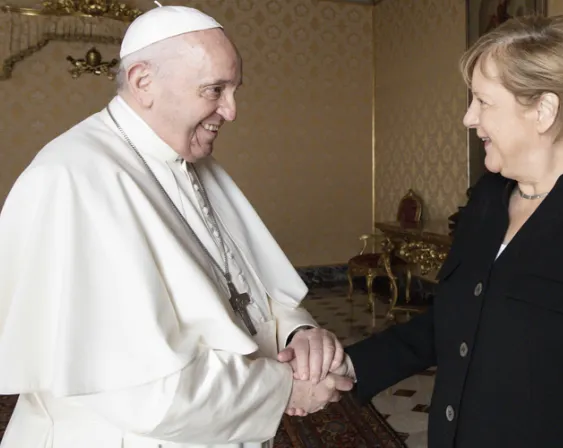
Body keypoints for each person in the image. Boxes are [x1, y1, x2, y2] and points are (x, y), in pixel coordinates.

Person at [0, 6, 351, 448]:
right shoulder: (71, 179)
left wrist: (301, 335)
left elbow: (247, 290)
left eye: (234, 89)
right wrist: (286, 387)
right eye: (214, 90)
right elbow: (139, 391)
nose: (231, 110)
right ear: (143, 81)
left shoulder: (191, 162)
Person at [328, 14, 563, 448]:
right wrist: (350, 366)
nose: (468, 118)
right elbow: (453, 321)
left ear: (544, 111)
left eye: (483, 101)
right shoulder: (489, 197)